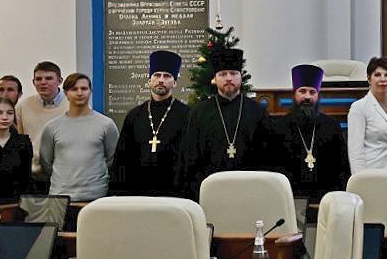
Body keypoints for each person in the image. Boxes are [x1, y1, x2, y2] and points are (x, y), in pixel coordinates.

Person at [176, 47, 273, 196]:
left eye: (233, 73)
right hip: (209, 191)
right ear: (215, 79)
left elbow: (267, 157)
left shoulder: (257, 112)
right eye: (223, 74)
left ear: (241, 76)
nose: (228, 78)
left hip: (249, 191)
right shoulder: (199, 112)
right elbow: (190, 158)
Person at [110, 50, 190, 197]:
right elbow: (122, 157)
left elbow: (190, 158)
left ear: (175, 82)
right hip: (138, 191)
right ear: (149, 80)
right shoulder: (134, 115)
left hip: (174, 192)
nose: (161, 80)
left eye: (167, 76)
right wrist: (118, 192)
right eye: (157, 75)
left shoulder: (187, 115)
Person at [39, 73, 119, 201]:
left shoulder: (106, 124)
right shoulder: (52, 127)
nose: (80, 93)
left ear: (90, 91)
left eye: (84, 88)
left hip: (96, 196)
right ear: (66, 93)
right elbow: (46, 163)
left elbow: (112, 159)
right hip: (60, 196)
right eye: (74, 89)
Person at [275, 63, 348, 203]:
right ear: (294, 94)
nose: (307, 97)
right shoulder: (279, 127)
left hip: (326, 198)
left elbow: (342, 168)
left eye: (312, 92)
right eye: (302, 91)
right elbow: (275, 169)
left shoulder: (332, 126)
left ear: (318, 95)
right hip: (291, 198)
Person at [347, 56, 387, 172]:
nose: (383, 79)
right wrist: (360, 178)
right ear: (369, 79)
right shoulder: (359, 108)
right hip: (372, 172)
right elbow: (355, 151)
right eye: (377, 75)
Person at [15, 61, 64, 185]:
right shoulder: (23, 106)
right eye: (38, 79)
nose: (43, 82)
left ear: (60, 81)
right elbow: (20, 140)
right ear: (33, 82)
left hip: (63, 176)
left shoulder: (72, 105)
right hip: (32, 176)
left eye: (48, 78)